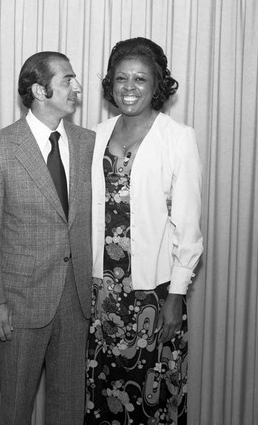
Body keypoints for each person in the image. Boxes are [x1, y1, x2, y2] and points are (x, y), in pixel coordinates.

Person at [0, 51, 95, 424]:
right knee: (16, 408)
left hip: (77, 303)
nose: (78, 87)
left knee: (70, 408)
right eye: (68, 80)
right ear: (40, 90)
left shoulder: (89, 144)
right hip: (19, 307)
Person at [85, 37, 203, 425]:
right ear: (110, 84)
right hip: (102, 291)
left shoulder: (177, 137)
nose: (129, 88)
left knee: (150, 399)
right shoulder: (95, 134)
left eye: (140, 79)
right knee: (104, 395)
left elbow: (187, 226)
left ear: (158, 86)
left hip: (153, 293)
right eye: (121, 79)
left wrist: (177, 296)